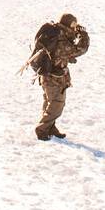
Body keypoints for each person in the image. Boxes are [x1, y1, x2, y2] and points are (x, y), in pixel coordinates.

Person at [29, 13, 89, 141]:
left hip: (48, 75)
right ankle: (42, 129)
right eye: (73, 25)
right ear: (68, 24)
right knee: (57, 104)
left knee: (49, 102)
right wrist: (84, 35)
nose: (75, 28)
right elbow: (80, 49)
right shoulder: (61, 40)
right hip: (53, 78)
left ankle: (50, 127)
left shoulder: (58, 34)